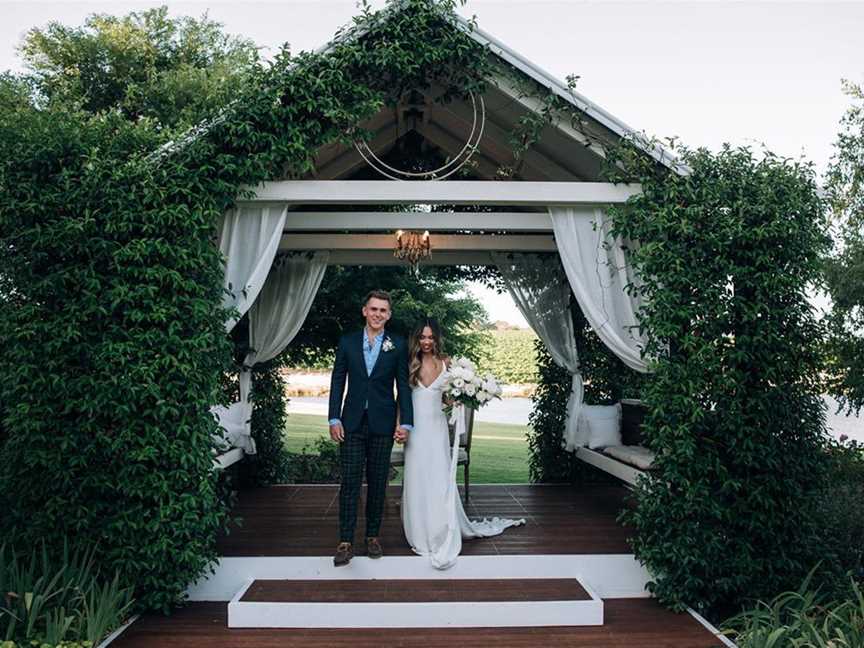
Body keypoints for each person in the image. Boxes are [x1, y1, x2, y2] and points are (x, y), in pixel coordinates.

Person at [401, 317, 524, 569]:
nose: (426, 341)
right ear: (417, 338)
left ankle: (440, 531)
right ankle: (419, 534)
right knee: (416, 479)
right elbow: (401, 399)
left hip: (436, 430)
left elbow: (446, 399)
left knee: (437, 480)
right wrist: (399, 426)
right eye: (422, 337)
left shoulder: (447, 363)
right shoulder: (409, 363)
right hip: (414, 431)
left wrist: (460, 398)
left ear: (436, 338)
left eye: (430, 337)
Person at [328, 290, 413, 567]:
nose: (378, 314)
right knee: (350, 482)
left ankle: (373, 536)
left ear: (389, 315)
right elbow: (338, 380)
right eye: (374, 309)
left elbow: (403, 387)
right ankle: (345, 541)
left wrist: (406, 422)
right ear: (365, 311)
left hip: (383, 423)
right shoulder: (348, 342)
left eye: (383, 311)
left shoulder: (397, 345)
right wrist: (333, 418)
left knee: (378, 483)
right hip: (351, 423)